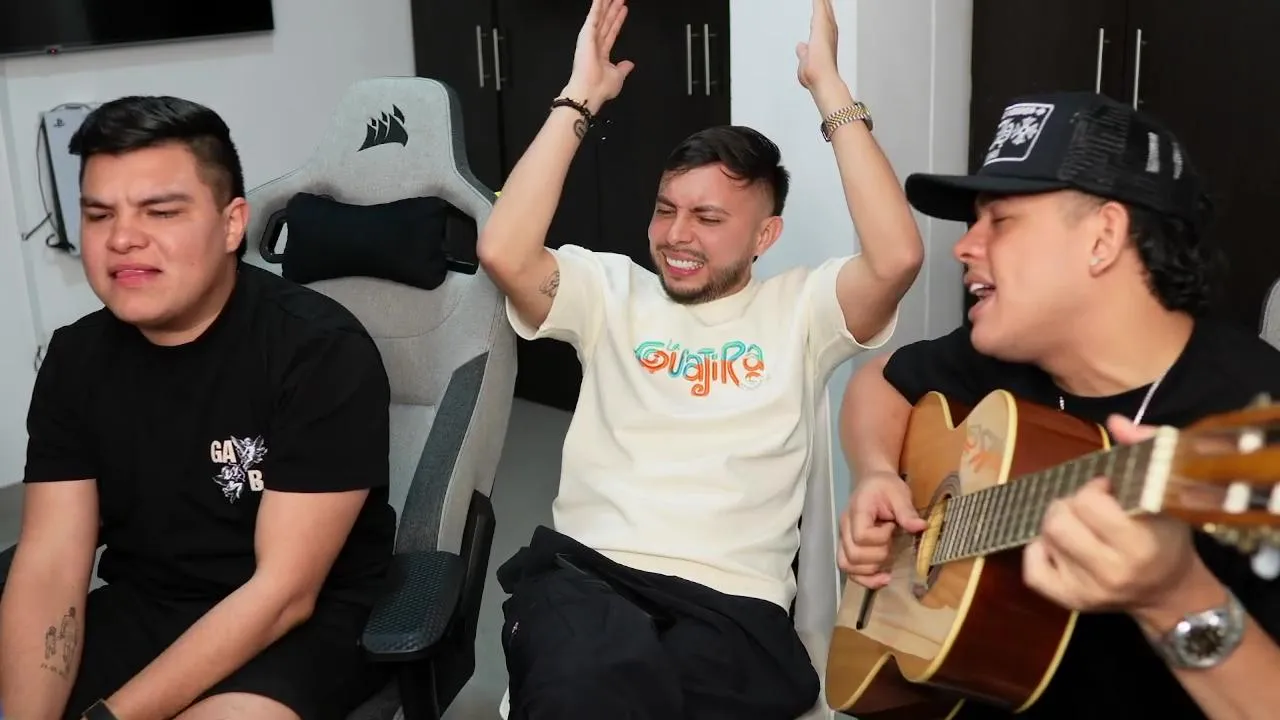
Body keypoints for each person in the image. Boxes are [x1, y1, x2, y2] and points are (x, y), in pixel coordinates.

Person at [476, 0, 924, 717]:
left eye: (709, 218)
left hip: (732, 608)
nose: (677, 235)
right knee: (585, 680)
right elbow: (503, 250)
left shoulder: (803, 312)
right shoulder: (608, 291)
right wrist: (580, 97)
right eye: (666, 209)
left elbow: (897, 257)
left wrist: (830, 89)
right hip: (590, 578)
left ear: (765, 236)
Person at [837, 90, 1280, 719]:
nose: (964, 246)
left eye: (1001, 220)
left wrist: (1174, 597)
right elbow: (879, 380)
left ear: (1103, 237)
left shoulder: (1249, 409)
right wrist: (877, 473)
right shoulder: (1001, 357)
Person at [0, 96, 397, 720]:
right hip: (148, 604)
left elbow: (283, 593)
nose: (123, 239)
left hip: (302, 622)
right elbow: (51, 564)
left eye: (161, 212)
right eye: (99, 215)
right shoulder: (76, 358)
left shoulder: (318, 351)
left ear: (232, 224)